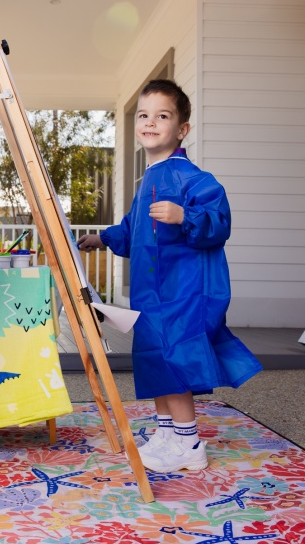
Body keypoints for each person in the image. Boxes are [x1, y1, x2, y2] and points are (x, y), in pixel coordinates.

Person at [77, 79, 262, 473]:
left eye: (162, 116)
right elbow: (131, 230)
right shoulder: (149, 183)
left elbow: (219, 222)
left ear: (182, 129)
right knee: (156, 358)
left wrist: (184, 215)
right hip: (153, 293)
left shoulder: (193, 179)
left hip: (185, 291)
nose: (150, 122)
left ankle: (188, 444)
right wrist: (101, 237)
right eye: (143, 115)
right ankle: (167, 434)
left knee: (176, 360)